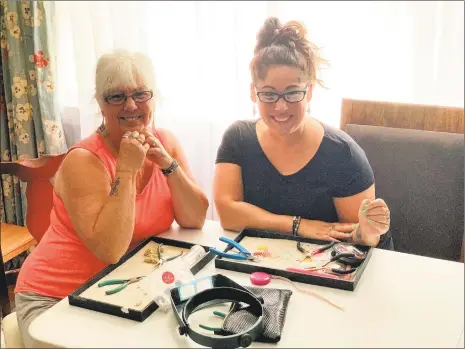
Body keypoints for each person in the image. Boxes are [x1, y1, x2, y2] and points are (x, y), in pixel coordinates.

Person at [14, 50, 209, 347]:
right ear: (100, 105)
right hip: (55, 298)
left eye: (140, 94)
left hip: (118, 291)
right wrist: (127, 169)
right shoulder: (84, 160)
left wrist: (169, 165)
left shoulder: (165, 140)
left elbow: (195, 219)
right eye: (116, 96)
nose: (130, 105)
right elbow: (110, 249)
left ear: (153, 98)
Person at [214, 17, 393, 249]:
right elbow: (228, 214)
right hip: (264, 262)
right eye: (268, 94)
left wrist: (368, 230)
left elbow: (361, 240)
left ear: (309, 92)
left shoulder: (343, 154)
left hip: (334, 268)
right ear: (252, 92)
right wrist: (299, 225)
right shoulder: (237, 138)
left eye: (292, 93)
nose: (281, 107)